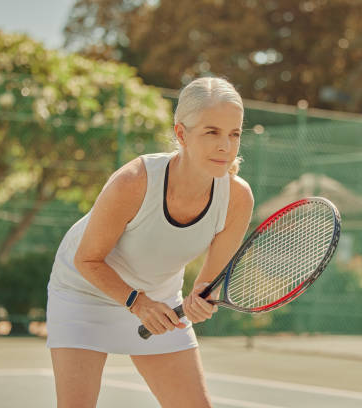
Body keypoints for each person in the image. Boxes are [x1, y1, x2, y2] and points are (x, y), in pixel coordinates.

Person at [45, 76, 254, 408]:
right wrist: (138, 304)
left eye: (235, 134)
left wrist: (201, 301)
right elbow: (87, 259)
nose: (225, 147)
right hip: (82, 293)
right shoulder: (134, 181)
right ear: (182, 133)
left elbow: (204, 287)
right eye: (212, 132)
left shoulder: (237, 199)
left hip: (158, 296)